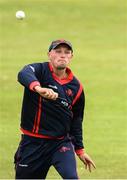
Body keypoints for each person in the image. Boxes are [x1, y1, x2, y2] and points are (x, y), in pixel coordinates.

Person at [14, 39, 96, 179]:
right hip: (32, 143)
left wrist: (80, 150)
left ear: (71, 57)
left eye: (66, 52)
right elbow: (23, 74)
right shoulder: (39, 71)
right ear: (49, 54)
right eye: (58, 51)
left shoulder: (76, 87)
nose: (62, 55)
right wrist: (38, 89)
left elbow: (76, 120)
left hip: (60, 143)